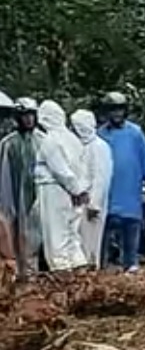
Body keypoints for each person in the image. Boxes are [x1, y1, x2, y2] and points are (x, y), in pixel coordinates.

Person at [98, 92, 145, 273]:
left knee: (131, 227)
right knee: (104, 230)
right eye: (113, 110)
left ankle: (131, 263)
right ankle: (101, 265)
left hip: (130, 187)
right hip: (107, 189)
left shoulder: (135, 132)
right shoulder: (99, 134)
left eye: (120, 110)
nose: (117, 114)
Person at [34, 101, 89, 272]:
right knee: (72, 232)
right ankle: (79, 264)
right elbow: (80, 167)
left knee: (55, 233)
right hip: (73, 191)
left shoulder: (50, 141)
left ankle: (61, 271)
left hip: (54, 189)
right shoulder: (73, 139)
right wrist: (80, 189)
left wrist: (75, 189)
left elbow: (61, 170)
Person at [0, 98, 43, 278]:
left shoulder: (43, 140)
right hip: (13, 200)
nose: (28, 120)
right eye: (24, 115)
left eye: (31, 115)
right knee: (12, 239)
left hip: (36, 199)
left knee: (34, 240)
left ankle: (32, 277)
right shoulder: (8, 143)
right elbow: (4, 175)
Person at [70, 109, 113, 269]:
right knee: (79, 242)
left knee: (91, 243)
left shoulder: (100, 147)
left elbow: (101, 178)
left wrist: (94, 204)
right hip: (79, 201)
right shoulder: (80, 146)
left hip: (92, 204)